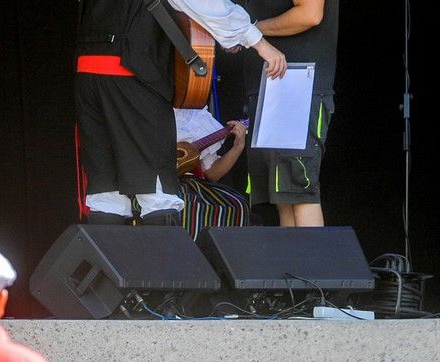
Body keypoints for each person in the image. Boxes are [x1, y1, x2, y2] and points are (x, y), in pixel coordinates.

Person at [76, 0, 285, 226]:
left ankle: (106, 262)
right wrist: (258, 42)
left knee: (106, 192)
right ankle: (165, 262)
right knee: (156, 190)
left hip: (87, 73)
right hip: (132, 73)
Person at [241, 0, 339, 227]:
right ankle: (293, 263)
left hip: (296, 85)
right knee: (283, 197)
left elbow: (310, 14)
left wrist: (251, 30)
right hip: (273, 86)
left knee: (299, 191)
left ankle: (313, 263)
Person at [174, 108, 249, 238]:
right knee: (182, 203)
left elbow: (212, 173)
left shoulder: (196, 115)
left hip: (190, 184)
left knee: (236, 204)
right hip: (158, 184)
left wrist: (238, 147)